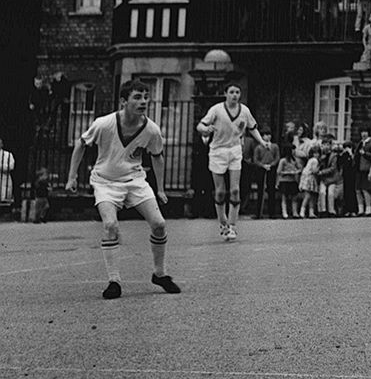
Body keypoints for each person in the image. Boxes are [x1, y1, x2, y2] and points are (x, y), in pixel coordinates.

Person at [64, 78, 180, 299]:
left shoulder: (152, 130)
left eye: (146, 97)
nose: (143, 101)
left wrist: (161, 189)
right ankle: (114, 281)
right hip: (105, 181)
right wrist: (71, 178)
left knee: (159, 224)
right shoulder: (104, 123)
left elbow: (157, 156)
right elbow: (81, 143)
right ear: (123, 101)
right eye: (137, 97)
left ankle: (160, 274)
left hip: (135, 180)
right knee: (110, 225)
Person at [196, 82, 269, 241]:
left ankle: (232, 226)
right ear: (226, 94)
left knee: (235, 190)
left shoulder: (244, 110)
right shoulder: (216, 110)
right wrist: (205, 129)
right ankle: (222, 222)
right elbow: (201, 125)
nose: (235, 95)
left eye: (237, 92)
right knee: (220, 191)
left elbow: (253, 127)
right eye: (232, 92)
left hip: (235, 150)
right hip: (217, 151)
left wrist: (262, 142)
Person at [250, 129, 280, 219]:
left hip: (271, 169)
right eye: (266, 135)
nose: (268, 136)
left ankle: (272, 213)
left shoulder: (274, 146)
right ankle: (259, 213)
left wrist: (271, 165)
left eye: (269, 135)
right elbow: (255, 159)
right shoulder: (258, 147)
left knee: (271, 190)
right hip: (261, 169)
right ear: (262, 136)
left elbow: (277, 157)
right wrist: (262, 165)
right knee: (261, 190)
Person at [355, 129, 371, 216]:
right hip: (359, 169)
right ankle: (360, 209)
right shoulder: (361, 143)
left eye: (365, 132)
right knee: (358, 190)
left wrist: (365, 153)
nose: (363, 134)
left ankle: (369, 209)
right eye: (362, 132)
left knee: (366, 190)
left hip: (367, 169)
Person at [276, 148, 301, 219]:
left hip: (293, 180)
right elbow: (279, 171)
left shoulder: (295, 160)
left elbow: (299, 168)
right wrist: (287, 172)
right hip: (284, 180)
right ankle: (284, 212)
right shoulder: (283, 161)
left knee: (294, 197)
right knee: (284, 197)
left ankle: (295, 212)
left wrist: (296, 171)